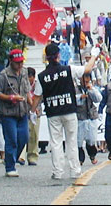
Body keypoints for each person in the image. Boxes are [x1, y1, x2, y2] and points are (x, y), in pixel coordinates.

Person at [30, 44, 101, 180]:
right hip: (69, 110)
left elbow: (37, 96)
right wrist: (94, 55)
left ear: (46, 57)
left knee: (56, 143)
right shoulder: (68, 70)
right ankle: (75, 170)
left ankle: (57, 172)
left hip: (53, 112)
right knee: (71, 141)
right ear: (58, 55)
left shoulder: (41, 76)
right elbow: (87, 68)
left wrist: (32, 112)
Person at [0, 49, 31, 177]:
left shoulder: (24, 72)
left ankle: (11, 159)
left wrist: (31, 102)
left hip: (23, 111)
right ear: (10, 61)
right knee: (12, 140)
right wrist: (10, 98)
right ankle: (10, 167)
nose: (19, 65)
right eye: (17, 63)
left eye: (21, 62)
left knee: (24, 137)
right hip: (8, 113)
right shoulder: (3, 75)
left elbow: (27, 90)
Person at [76, 72, 103, 166]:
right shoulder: (75, 89)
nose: (86, 82)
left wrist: (91, 90)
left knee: (91, 139)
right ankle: (80, 158)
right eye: (84, 81)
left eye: (88, 81)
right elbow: (72, 101)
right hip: (80, 117)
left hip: (91, 116)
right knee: (79, 140)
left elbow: (98, 99)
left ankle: (92, 155)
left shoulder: (92, 89)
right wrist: (80, 97)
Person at [26, 67, 41, 165]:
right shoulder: (23, 84)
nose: (28, 79)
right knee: (24, 134)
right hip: (25, 111)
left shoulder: (38, 85)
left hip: (36, 112)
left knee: (34, 135)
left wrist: (36, 108)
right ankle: (21, 156)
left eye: (30, 77)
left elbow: (41, 97)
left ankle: (33, 156)